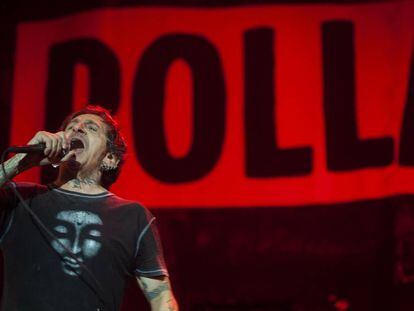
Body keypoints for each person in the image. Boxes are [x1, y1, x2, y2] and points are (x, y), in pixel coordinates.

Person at [0, 105, 178, 311]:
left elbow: (162, 299)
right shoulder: (20, 198)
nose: (78, 129)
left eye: (91, 128)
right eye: (71, 127)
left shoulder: (133, 216)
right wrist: (20, 163)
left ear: (110, 158)